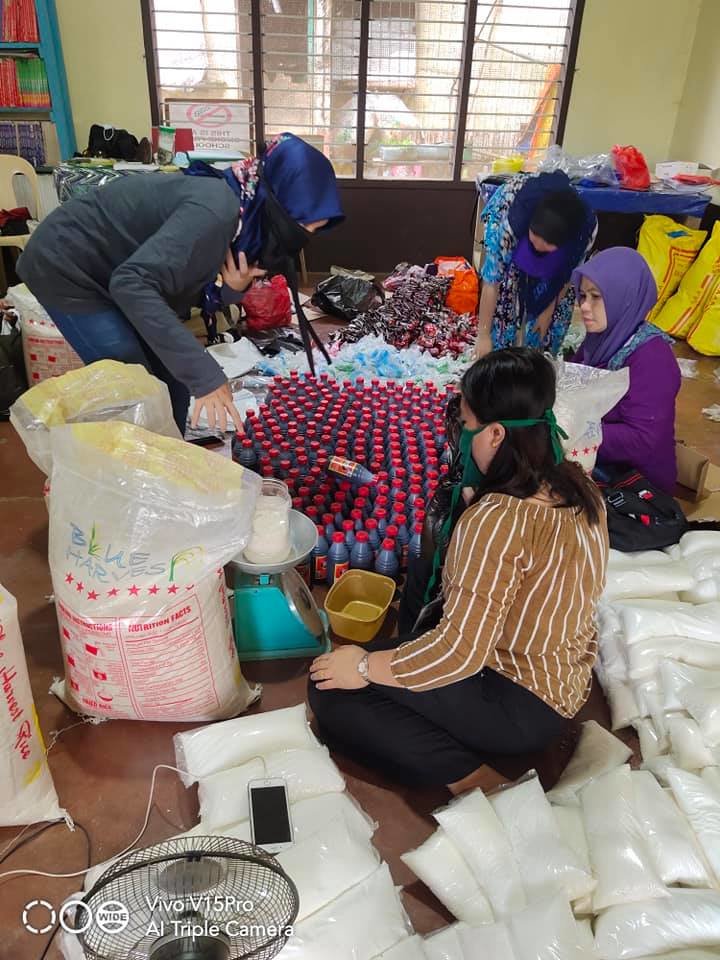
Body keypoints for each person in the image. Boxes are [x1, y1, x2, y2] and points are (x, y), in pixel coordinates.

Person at [308, 348, 608, 791]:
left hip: (514, 699)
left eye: (467, 424)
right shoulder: (580, 486)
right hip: (562, 681)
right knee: (412, 599)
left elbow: (460, 653)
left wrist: (365, 667)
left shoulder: (498, 519)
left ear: (496, 434)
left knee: (330, 690)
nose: (462, 435)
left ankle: (473, 780)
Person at [17, 133, 344, 434]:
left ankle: (167, 452)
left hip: (120, 271)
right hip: (68, 264)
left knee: (173, 380)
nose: (305, 235)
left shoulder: (246, 215)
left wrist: (234, 288)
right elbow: (133, 285)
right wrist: (206, 376)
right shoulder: (217, 211)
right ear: (279, 200)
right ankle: (135, 467)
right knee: (135, 381)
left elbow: (185, 283)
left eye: (315, 229)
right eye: (303, 223)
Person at [572, 247, 681, 494]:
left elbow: (643, 439)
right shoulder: (599, 340)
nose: (584, 306)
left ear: (625, 297)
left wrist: (572, 431)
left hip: (634, 480)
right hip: (596, 456)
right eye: (583, 296)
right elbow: (572, 384)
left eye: (596, 297)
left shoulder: (653, 359)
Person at [475, 171, 596, 358]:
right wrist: (483, 334)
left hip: (558, 264)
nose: (538, 246)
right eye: (535, 238)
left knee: (545, 333)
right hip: (513, 224)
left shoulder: (582, 234)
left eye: (547, 244)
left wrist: (547, 309)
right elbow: (492, 281)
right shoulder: (509, 227)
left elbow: (566, 277)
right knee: (504, 314)